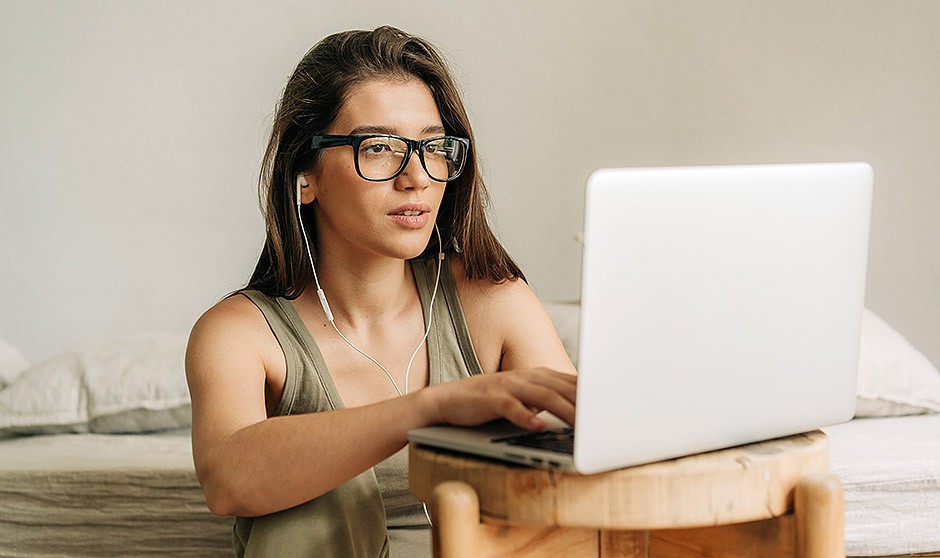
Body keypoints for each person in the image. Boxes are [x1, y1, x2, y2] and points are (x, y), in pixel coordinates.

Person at [185, 26, 577, 558]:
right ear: (306, 174)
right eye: (379, 148)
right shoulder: (239, 334)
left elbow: (586, 458)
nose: (416, 176)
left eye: (434, 148)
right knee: (313, 495)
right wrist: (431, 410)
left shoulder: (493, 300)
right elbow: (228, 481)